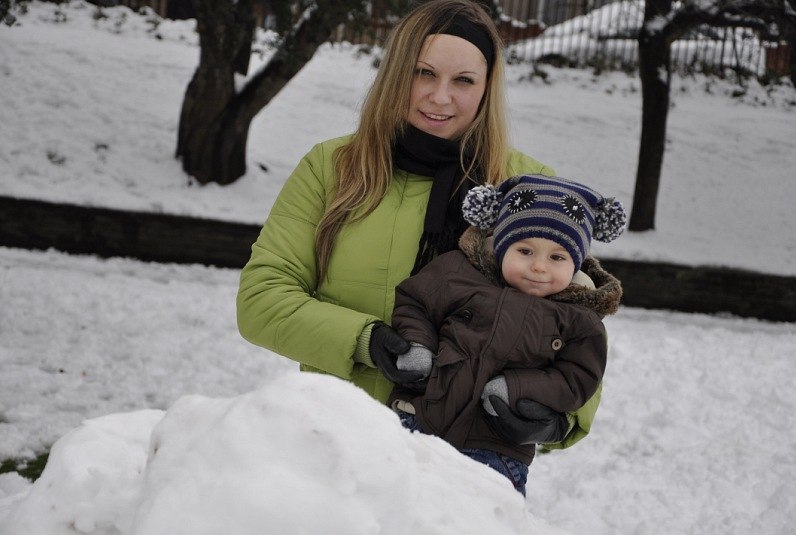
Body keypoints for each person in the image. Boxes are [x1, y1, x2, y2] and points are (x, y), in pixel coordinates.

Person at [237, 0, 601, 481]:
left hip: (473, 462)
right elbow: (262, 300)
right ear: (394, 74)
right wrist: (366, 341)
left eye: (463, 81)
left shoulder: (528, 186)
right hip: (340, 444)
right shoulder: (332, 169)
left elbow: (578, 316)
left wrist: (560, 419)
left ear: (488, 87)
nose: (439, 97)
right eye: (423, 73)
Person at [388, 173, 626, 495]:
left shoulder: (580, 320)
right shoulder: (457, 273)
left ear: (576, 264)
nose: (539, 267)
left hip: (495, 449)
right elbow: (415, 303)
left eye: (557, 257)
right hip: (416, 421)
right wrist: (418, 345)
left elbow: (577, 377)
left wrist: (515, 388)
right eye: (525, 251)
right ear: (501, 246)